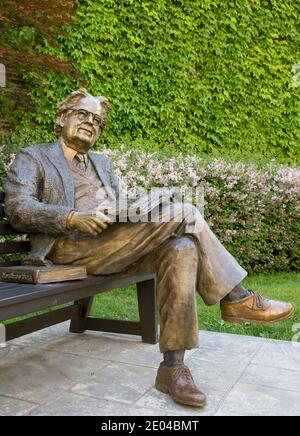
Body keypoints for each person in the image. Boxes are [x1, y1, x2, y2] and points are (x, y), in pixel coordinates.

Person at [4, 89, 294, 408]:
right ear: (62, 119)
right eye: (82, 115)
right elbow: (18, 209)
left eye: (97, 121)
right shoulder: (34, 157)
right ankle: (236, 298)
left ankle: (172, 369)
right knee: (186, 212)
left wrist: (137, 207)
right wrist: (73, 217)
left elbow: (116, 207)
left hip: (114, 242)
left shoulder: (101, 163)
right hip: (69, 247)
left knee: (181, 247)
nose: (91, 123)